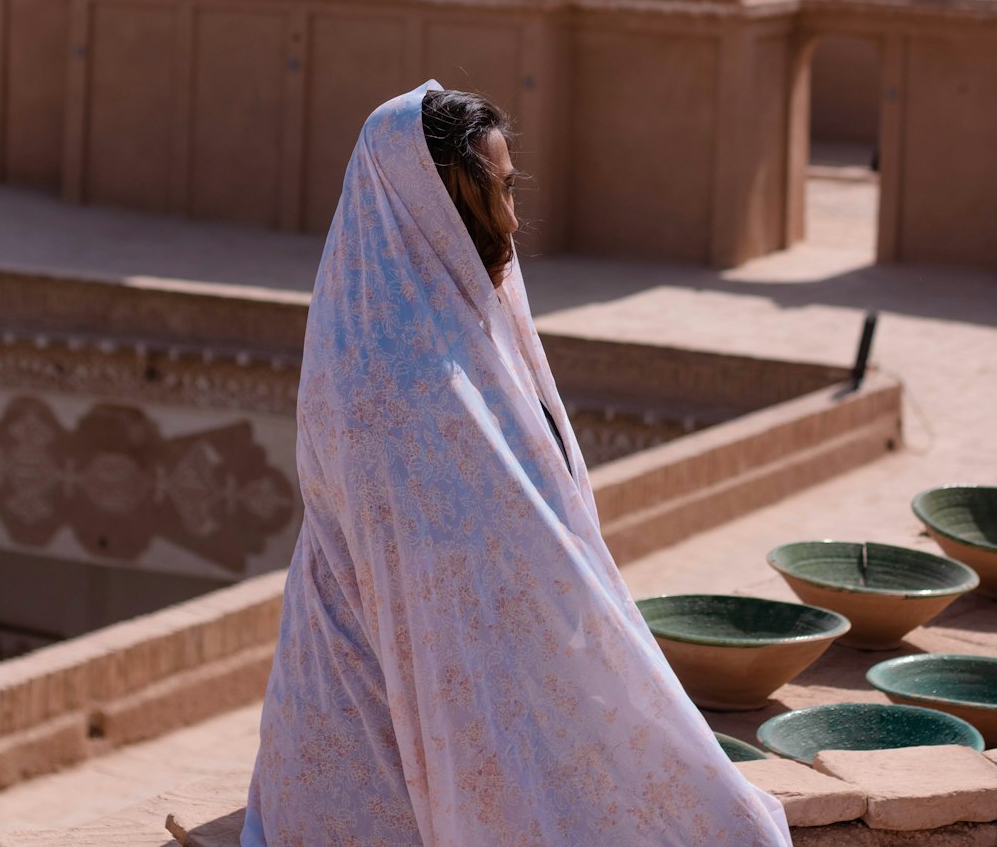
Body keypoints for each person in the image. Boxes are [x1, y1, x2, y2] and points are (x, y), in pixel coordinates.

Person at [241, 81, 790, 847]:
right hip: (375, 735)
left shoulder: (453, 331)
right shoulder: (391, 379)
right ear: (423, 213)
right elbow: (462, 600)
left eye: (507, 190)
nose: (508, 224)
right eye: (481, 202)